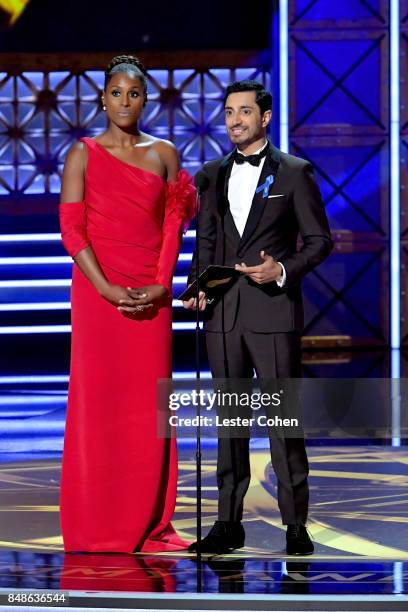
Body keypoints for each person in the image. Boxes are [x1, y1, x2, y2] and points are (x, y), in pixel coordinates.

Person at [183, 80, 332, 555]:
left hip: (273, 312)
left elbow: (319, 241)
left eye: (244, 112)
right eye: (228, 112)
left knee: (283, 422)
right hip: (223, 315)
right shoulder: (210, 174)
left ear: (264, 118)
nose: (234, 120)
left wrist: (282, 269)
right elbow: (205, 243)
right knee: (230, 421)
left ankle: (295, 525)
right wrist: (196, 288)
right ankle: (228, 523)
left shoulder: (294, 172)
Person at [59, 54, 194, 553]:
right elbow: (72, 230)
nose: (124, 101)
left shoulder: (164, 154)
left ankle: (148, 519)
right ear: (102, 98)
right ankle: (97, 522)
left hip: (151, 297)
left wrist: (163, 284)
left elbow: (174, 227)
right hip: (99, 297)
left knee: (146, 407)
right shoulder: (83, 154)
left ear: (145, 99)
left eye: (133, 94)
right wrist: (105, 289)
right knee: (99, 404)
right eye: (115, 93)